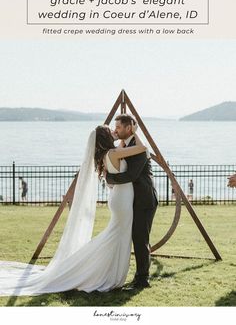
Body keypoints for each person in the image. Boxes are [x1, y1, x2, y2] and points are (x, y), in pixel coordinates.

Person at [0, 122, 146, 296]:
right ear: (106, 138)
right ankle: (87, 267)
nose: (114, 131)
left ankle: (109, 272)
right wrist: (134, 131)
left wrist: (119, 136)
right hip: (122, 201)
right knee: (115, 236)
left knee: (118, 236)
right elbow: (142, 148)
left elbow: (122, 151)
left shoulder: (108, 153)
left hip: (119, 199)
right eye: (110, 131)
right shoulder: (113, 153)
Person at [105, 114, 158, 289]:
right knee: (135, 237)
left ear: (129, 128)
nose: (116, 130)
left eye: (119, 127)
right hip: (132, 200)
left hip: (144, 200)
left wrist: (109, 178)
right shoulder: (125, 145)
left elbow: (131, 175)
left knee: (140, 238)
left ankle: (142, 279)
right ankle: (137, 276)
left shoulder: (139, 149)